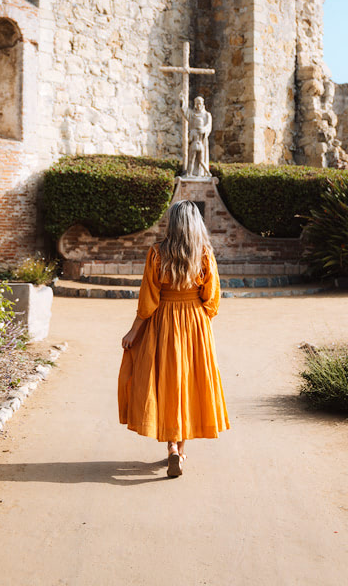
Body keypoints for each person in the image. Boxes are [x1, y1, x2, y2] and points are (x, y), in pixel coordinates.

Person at [118, 200, 229, 477]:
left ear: (173, 222)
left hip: (164, 320)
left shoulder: (157, 253)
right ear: (195, 224)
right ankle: (180, 447)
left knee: (167, 380)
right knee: (189, 382)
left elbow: (148, 299)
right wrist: (199, 321)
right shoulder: (204, 253)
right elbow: (212, 300)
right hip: (195, 322)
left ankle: (171, 448)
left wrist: (133, 331)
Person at [185, 96, 213, 177]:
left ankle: (196, 173)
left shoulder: (207, 115)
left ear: (203, 104)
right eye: (196, 104)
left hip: (202, 141)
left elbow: (208, 126)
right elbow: (185, 112)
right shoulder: (192, 115)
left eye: (199, 103)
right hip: (198, 143)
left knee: (196, 160)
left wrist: (203, 130)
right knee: (198, 160)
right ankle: (202, 173)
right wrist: (182, 102)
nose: (198, 105)